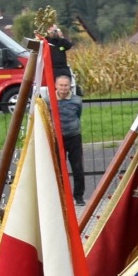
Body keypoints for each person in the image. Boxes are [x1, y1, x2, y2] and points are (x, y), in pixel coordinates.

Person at [53, 74, 84, 202]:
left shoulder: (77, 100)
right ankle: (62, 197)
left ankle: (79, 196)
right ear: (56, 86)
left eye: (66, 85)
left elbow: (78, 114)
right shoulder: (50, 99)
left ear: (70, 86)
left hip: (74, 136)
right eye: (61, 85)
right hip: (57, 138)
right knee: (58, 168)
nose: (63, 88)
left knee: (77, 167)